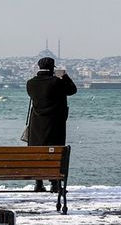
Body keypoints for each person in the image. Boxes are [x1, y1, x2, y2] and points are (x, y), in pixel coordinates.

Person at [26, 56, 77, 193]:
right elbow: (72, 90)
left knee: (37, 152)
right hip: (55, 123)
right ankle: (55, 184)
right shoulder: (57, 82)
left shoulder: (30, 83)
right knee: (55, 152)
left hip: (36, 124)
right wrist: (64, 76)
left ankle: (38, 183)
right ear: (52, 68)